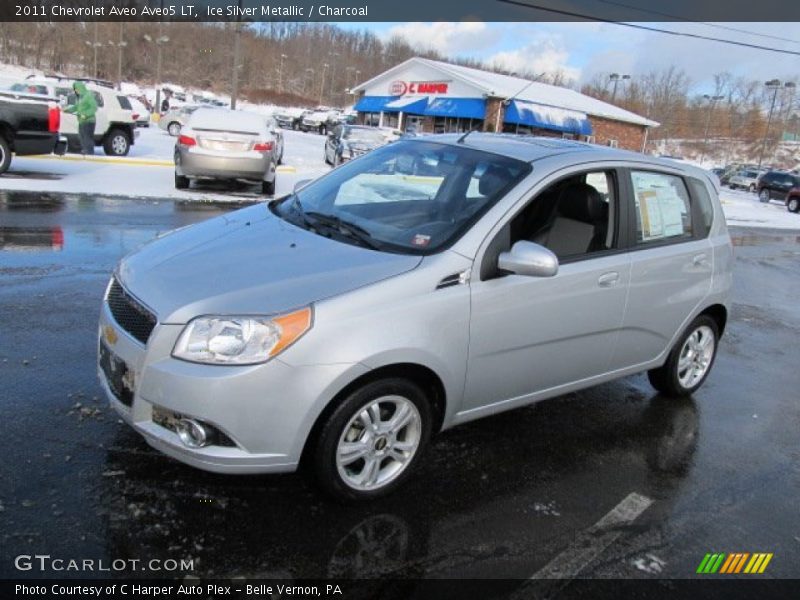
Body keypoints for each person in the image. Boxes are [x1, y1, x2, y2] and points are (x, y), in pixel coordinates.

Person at [63, 82, 97, 156]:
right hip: (81, 121)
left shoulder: (88, 95)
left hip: (89, 121)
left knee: (87, 138)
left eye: (76, 89)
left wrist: (86, 115)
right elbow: (76, 107)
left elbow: (94, 107)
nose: (75, 91)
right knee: (81, 137)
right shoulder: (79, 97)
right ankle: (85, 151)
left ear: (80, 88)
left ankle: (90, 153)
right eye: (75, 90)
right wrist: (67, 110)